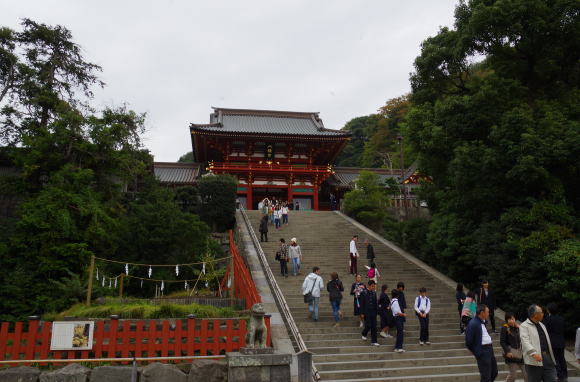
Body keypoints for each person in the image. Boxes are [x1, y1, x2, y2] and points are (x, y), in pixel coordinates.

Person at [520, 304, 557, 382]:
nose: (543, 314)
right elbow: (525, 341)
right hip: (534, 360)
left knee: (552, 379)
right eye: (541, 312)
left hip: (547, 357)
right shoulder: (524, 326)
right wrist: (533, 353)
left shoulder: (542, 325)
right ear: (535, 314)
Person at [466, 304, 498, 382]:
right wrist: (477, 352)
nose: (488, 313)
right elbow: (468, 341)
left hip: (489, 349)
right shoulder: (473, 323)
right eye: (487, 312)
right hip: (483, 351)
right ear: (482, 312)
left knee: (494, 372)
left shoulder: (482, 322)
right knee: (486, 376)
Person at [500, 312, 528, 382]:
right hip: (511, 355)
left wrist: (520, 328)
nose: (511, 320)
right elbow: (502, 342)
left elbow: (524, 338)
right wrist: (507, 352)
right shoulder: (504, 328)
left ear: (515, 319)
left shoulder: (517, 328)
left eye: (513, 319)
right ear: (506, 320)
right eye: (509, 319)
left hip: (520, 354)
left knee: (526, 373)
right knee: (513, 375)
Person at [543, 303, 566, 382]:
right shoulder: (561, 318)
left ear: (549, 310)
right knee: (562, 358)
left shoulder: (548, 319)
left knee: (555, 359)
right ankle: (565, 375)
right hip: (561, 341)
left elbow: (546, 331)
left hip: (552, 342)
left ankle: (560, 376)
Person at [360, 280, 380, 346]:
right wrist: (362, 313)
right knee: (368, 325)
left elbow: (376, 303)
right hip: (366, 312)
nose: (373, 287)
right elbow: (362, 303)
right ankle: (364, 333)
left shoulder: (374, 293)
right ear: (369, 285)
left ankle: (374, 341)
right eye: (372, 286)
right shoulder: (364, 292)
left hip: (373, 312)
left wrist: (377, 311)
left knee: (374, 326)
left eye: (374, 286)